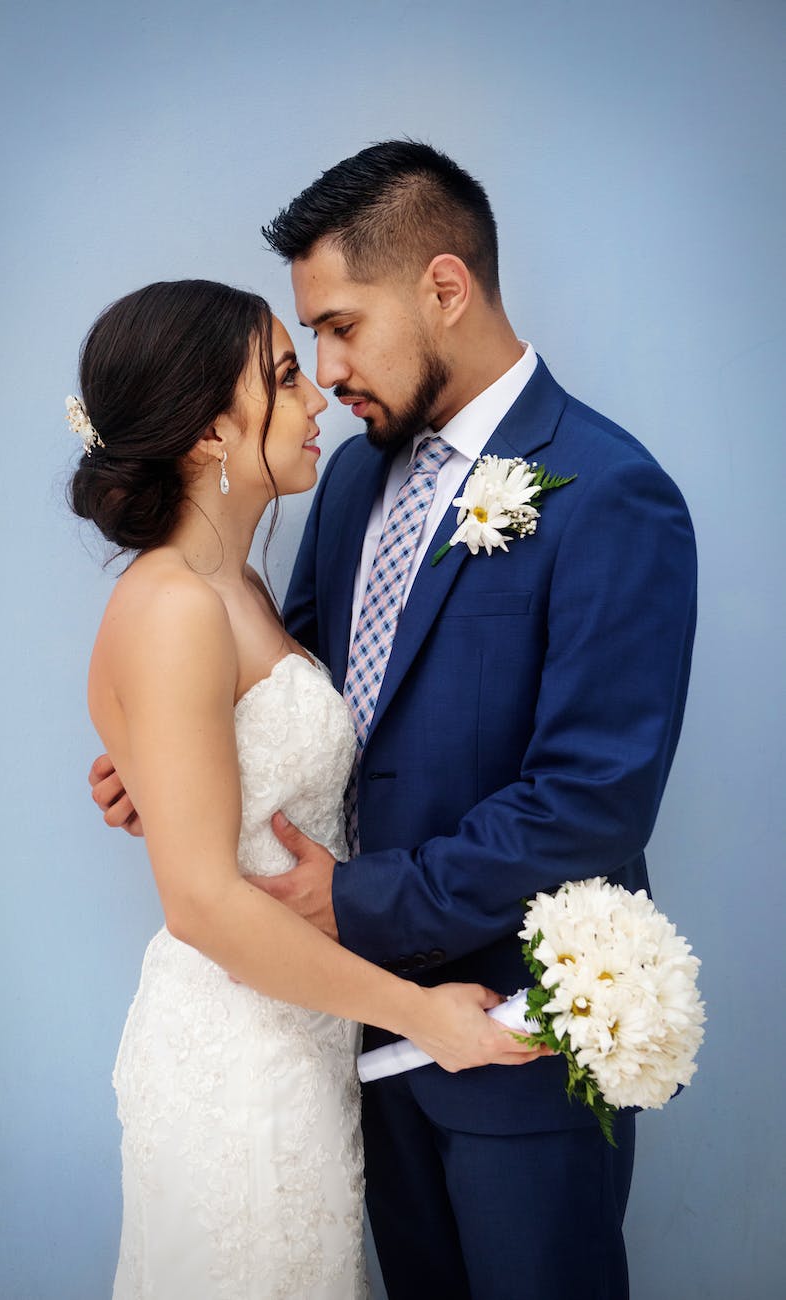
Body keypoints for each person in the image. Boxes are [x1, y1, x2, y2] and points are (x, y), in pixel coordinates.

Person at [92, 143, 697, 1297]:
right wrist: (175, 759)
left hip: (508, 1036)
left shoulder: (612, 491)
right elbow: (296, 687)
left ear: (443, 288)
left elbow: (592, 796)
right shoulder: (358, 477)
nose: (325, 370)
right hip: (343, 1046)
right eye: (303, 343)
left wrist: (356, 899)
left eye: (339, 326)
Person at [71, 278, 548, 1300]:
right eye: (285, 379)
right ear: (210, 429)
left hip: (300, 1035)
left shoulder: (238, 587)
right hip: (235, 1054)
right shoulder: (171, 607)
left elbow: (240, 766)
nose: (317, 397)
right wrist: (422, 1012)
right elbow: (200, 900)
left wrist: (160, 778)